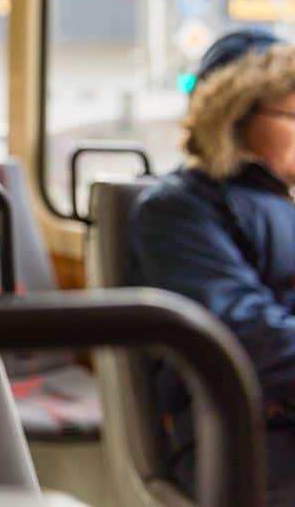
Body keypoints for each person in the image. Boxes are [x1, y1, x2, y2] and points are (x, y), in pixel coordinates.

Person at [128, 28, 295, 504]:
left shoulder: (282, 201)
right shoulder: (179, 209)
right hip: (244, 432)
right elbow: (239, 333)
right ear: (235, 116)